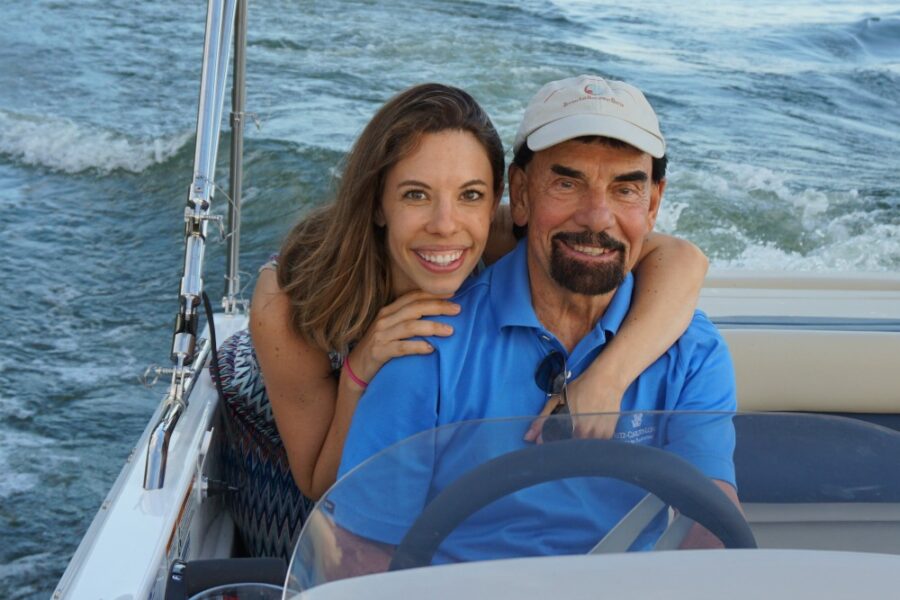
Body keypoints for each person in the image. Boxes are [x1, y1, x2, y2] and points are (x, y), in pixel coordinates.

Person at [220, 82, 707, 557]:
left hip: (384, 419)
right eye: (415, 194)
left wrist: (606, 377)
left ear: (500, 197)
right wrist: (357, 374)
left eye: (471, 195)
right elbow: (319, 481)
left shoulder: (491, 233)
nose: (445, 224)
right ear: (378, 202)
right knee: (309, 550)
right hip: (281, 423)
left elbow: (683, 262)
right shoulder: (289, 304)